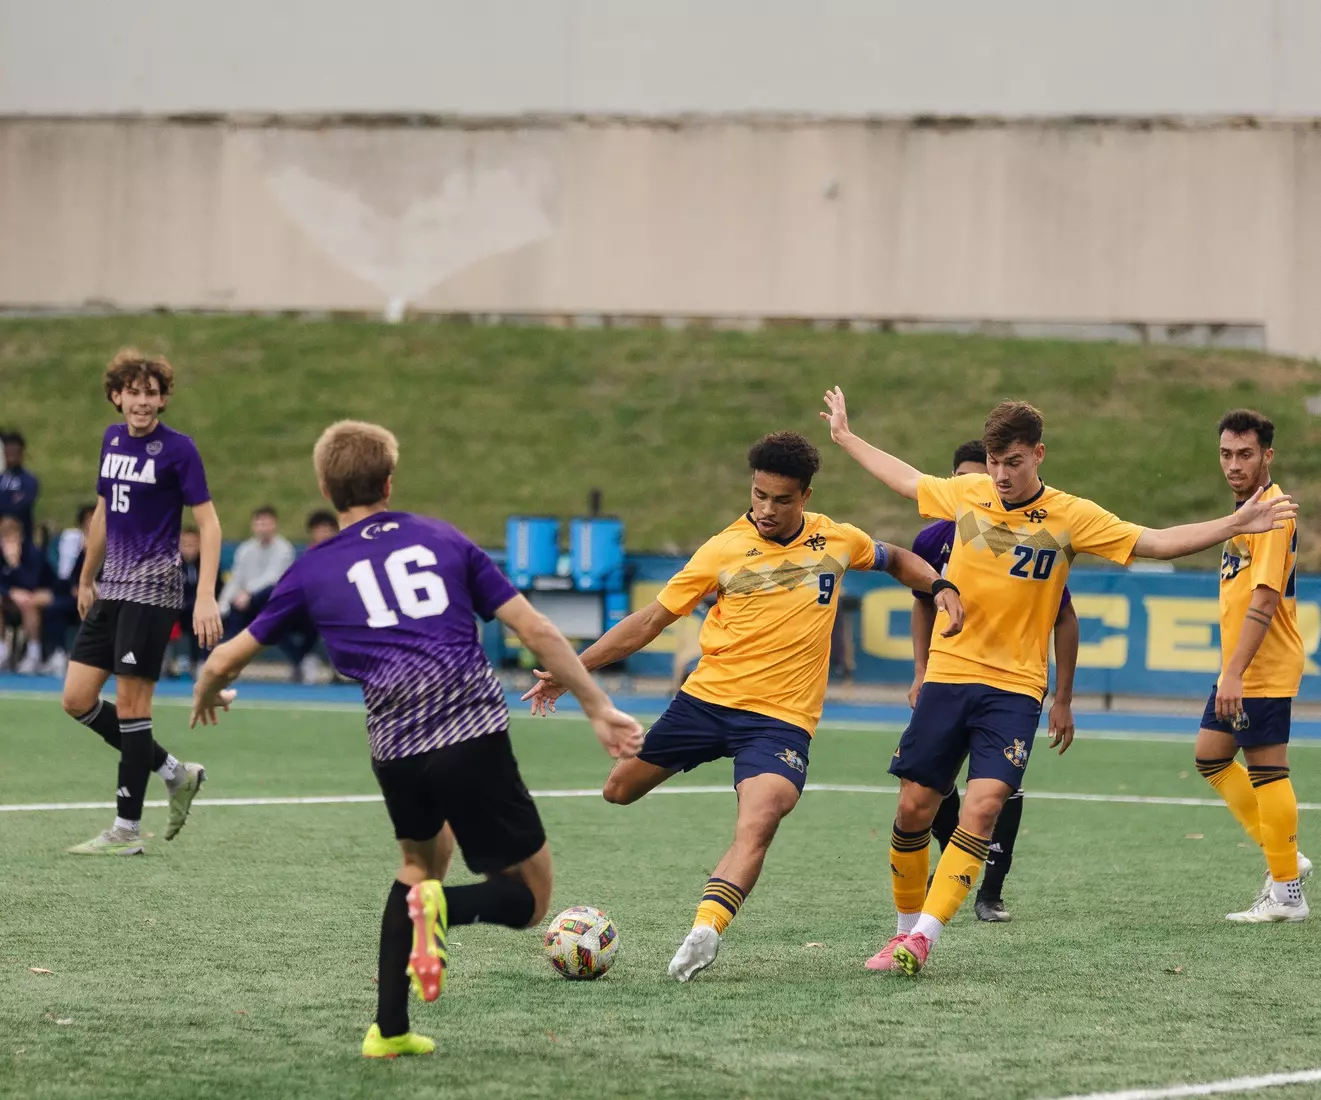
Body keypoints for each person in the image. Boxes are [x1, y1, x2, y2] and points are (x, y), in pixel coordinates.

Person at [191, 420, 642, 1057]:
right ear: (390, 480)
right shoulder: (441, 537)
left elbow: (221, 661)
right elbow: (534, 627)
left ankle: (389, 1030)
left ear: (324, 485)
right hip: (470, 733)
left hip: (395, 751)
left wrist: (210, 694)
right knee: (527, 898)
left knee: (415, 866)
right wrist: (597, 705)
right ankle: (443, 911)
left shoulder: (312, 568)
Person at [819, 387, 1297, 975]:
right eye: (994, 463)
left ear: (1038, 455)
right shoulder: (967, 494)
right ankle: (901, 929)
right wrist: (845, 437)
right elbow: (904, 477)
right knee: (915, 808)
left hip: (1016, 688)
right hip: (949, 676)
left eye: (1013, 463)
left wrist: (1235, 522)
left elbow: (1158, 542)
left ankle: (924, 938)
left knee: (986, 804)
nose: (1000, 475)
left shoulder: (1071, 516)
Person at [523, 431, 965, 981]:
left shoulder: (836, 540)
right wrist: (571, 670)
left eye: (781, 500)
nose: (767, 510)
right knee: (619, 790)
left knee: (760, 821)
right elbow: (648, 623)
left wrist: (941, 585)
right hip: (704, 705)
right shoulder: (722, 549)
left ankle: (706, 929)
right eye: (759, 496)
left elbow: (897, 557)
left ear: (805, 495)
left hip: (779, 723)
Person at [60, 349, 223, 855]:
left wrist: (205, 596)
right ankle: (176, 773)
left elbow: (209, 524)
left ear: (164, 398)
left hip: (154, 588)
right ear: (116, 395)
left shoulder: (179, 450)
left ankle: (126, 831)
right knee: (77, 699)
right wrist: (88, 577)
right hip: (113, 585)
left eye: (152, 392)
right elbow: (104, 513)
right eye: (133, 391)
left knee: (133, 707)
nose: (142, 401)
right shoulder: (111, 441)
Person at [912, 440, 1080, 924]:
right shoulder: (932, 542)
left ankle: (990, 891)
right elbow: (922, 603)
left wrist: (1063, 696)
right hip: (950, 676)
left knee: (998, 794)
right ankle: (948, 870)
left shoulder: (1038, 534)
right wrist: (921, 670)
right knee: (927, 788)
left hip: (1012, 685)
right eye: (982, 474)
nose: (993, 485)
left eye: (1003, 471)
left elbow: (1064, 617)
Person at [1194, 409, 1310, 922]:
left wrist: (1235, 672)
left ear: (1268, 455)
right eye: (1226, 453)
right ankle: (1285, 859)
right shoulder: (1246, 512)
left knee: (1267, 769)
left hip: (1261, 664)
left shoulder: (1272, 513)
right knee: (1211, 756)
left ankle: (1286, 890)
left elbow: (1263, 601)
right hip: (1243, 664)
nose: (1234, 464)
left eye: (1245, 454)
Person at [0, 515, 54, 673]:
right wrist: (10, 592)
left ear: (21, 536)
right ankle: (2, 651)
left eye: (13, 536)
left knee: (29, 603)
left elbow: (32, 583)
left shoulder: (33, 553)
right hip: (10, 600)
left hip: (35, 597)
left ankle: (33, 654)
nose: (9, 541)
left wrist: (15, 564)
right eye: (4, 536)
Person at [0, 430, 40, 544]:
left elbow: (22, 504)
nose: (12, 455)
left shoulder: (29, 480)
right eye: (9, 451)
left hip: (23, 538)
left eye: (15, 451)